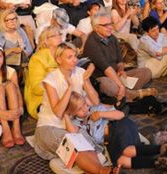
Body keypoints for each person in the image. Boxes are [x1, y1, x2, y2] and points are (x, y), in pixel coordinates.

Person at [34, 42, 114, 174]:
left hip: (73, 125)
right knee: (74, 143)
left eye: (75, 56)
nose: (75, 60)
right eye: (69, 57)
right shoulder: (51, 79)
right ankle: (103, 171)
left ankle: (98, 170)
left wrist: (86, 80)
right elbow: (58, 112)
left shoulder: (80, 73)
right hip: (49, 126)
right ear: (59, 59)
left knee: (88, 146)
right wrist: (70, 87)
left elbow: (95, 101)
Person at [65, 91, 167, 172]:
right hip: (109, 141)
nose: (85, 109)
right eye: (80, 109)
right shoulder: (78, 125)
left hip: (118, 126)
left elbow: (121, 115)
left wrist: (101, 114)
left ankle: (163, 149)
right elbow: (73, 133)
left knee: (127, 151)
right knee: (120, 162)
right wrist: (65, 115)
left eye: (85, 105)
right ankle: (159, 162)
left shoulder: (95, 109)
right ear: (73, 112)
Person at [82, 12, 152, 103]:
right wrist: (121, 85)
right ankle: (132, 94)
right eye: (106, 25)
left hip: (116, 75)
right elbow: (106, 69)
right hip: (102, 77)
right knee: (108, 85)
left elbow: (120, 60)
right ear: (96, 28)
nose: (110, 27)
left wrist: (121, 69)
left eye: (110, 23)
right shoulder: (92, 43)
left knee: (146, 72)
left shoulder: (112, 38)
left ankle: (125, 94)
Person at [24, 26, 62, 119]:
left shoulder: (63, 54)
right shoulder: (37, 58)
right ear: (45, 40)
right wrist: (60, 86)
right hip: (41, 100)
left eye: (60, 34)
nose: (59, 37)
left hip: (62, 95)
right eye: (53, 36)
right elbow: (37, 87)